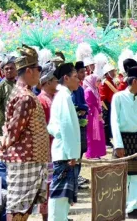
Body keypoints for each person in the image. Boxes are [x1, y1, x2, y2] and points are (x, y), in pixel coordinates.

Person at [0, 45, 50, 220]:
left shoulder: (24, 92)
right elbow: (14, 130)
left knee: (24, 206)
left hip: (31, 158)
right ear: (29, 71)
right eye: (38, 69)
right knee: (18, 207)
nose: (40, 73)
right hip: (26, 158)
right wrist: (3, 146)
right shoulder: (25, 96)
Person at [111, 66, 137, 219]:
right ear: (134, 81)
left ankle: (133, 208)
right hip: (122, 139)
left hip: (136, 140)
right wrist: (118, 144)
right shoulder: (118, 97)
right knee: (121, 176)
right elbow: (114, 121)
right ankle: (119, 207)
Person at [47, 63, 81, 221]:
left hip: (64, 151)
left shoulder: (62, 96)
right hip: (65, 153)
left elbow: (54, 126)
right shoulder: (64, 96)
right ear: (66, 78)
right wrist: (71, 154)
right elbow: (66, 126)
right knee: (60, 194)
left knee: (64, 194)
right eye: (75, 77)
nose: (78, 80)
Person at [37, 62, 57, 221]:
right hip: (47, 148)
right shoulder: (41, 100)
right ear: (48, 82)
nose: (57, 84)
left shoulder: (55, 97)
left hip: (57, 147)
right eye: (55, 81)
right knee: (47, 185)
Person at [72, 61, 90, 189]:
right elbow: (75, 105)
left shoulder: (80, 87)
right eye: (81, 72)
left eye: (84, 71)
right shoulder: (73, 88)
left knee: (81, 151)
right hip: (75, 124)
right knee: (76, 153)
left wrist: (84, 108)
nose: (84, 74)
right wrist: (83, 107)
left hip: (82, 122)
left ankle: (76, 178)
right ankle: (74, 179)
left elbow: (84, 105)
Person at [0, 56, 18, 135]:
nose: (9, 70)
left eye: (11, 68)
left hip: (18, 127)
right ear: (2, 71)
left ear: (16, 70)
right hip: (4, 128)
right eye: (6, 69)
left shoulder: (21, 85)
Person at [83, 74, 106, 159]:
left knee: (98, 133)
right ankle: (91, 153)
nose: (99, 82)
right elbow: (89, 103)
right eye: (98, 81)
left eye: (100, 80)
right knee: (92, 135)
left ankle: (97, 153)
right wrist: (97, 111)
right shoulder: (88, 91)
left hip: (97, 115)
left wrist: (100, 111)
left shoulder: (95, 90)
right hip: (92, 116)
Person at [99, 58, 119, 147]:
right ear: (107, 73)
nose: (113, 73)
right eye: (111, 72)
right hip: (106, 104)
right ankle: (106, 140)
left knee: (110, 121)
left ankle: (108, 139)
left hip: (110, 103)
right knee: (106, 122)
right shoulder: (105, 82)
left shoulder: (111, 81)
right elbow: (102, 96)